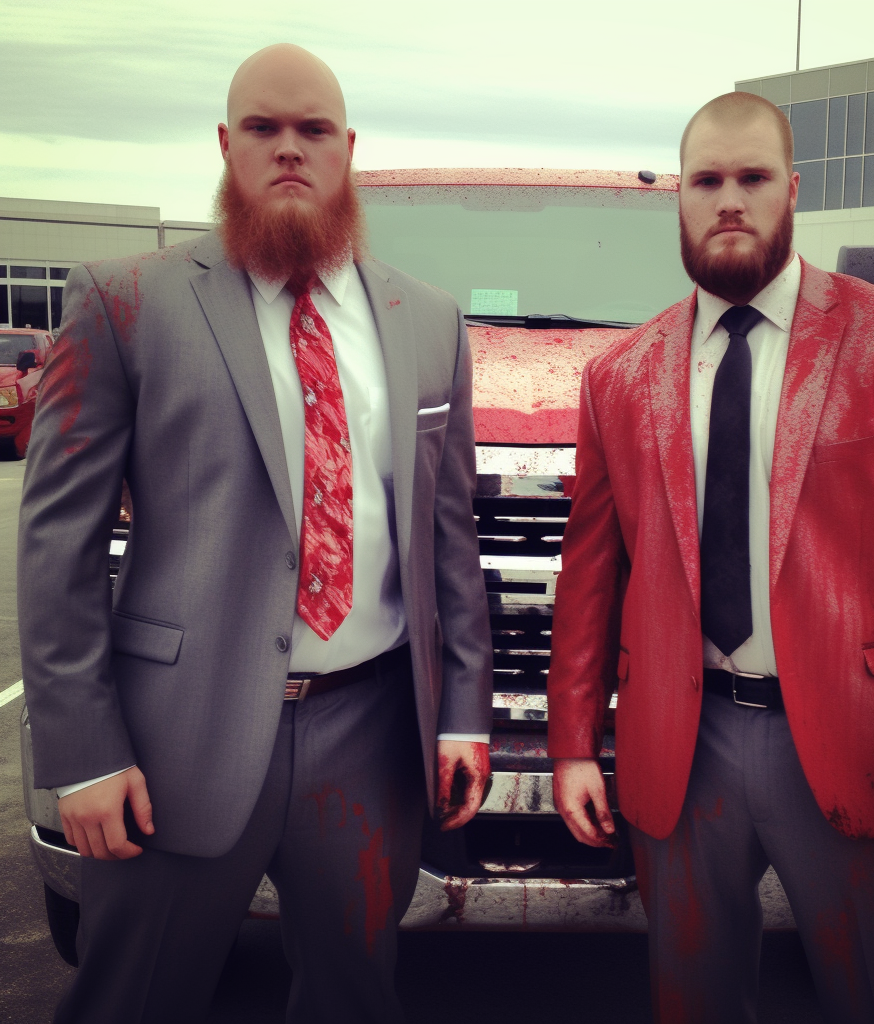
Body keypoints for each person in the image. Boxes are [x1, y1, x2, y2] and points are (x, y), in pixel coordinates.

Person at [18, 43, 492, 1024]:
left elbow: (449, 543)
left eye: (312, 130)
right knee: (131, 998)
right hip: (171, 739)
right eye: (264, 130)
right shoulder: (124, 302)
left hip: (370, 740)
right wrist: (84, 754)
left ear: (347, 148)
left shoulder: (429, 322)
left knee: (355, 996)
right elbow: (56, 547)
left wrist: (463, 716)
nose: (289, 150)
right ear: (225, 145)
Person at [547, 90, 874, 1023]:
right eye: (707, 180)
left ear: (792, 190)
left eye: (752, 178)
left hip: (856, 743)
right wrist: (571, 746)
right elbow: (592, 575)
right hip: (682, 750)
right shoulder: (618, 378)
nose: (730, 200)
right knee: (694, 1001)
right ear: (677, 198)